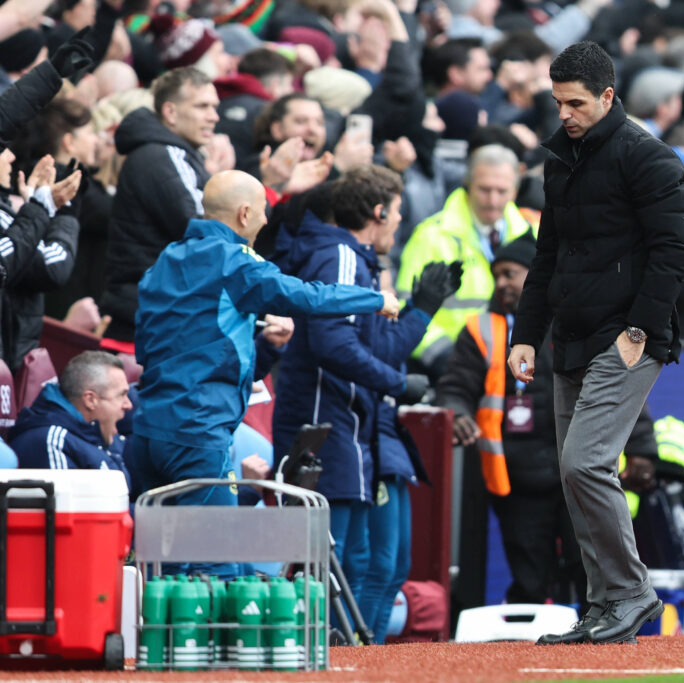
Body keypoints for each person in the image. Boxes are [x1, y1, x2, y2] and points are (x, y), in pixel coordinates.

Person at [507, 41, 684, 645]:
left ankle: (631, 592)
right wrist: (526, 335)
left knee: (583, 463)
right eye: (558, 102)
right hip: (571, 336)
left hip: (627, 339)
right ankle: (604, 603)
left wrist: (638, 331)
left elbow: (673, 253)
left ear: (608, 97)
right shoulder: (561, 158)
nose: (564, 113)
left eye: (575, 102)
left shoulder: (650, 159)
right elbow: (547, 254)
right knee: (576, 474)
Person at [132, 171, 399, 546]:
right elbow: (306, 296)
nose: (266, 220)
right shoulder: (234, 261)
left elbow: (154, 345)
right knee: (213, 563)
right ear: (244, 214)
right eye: (262, 211)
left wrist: (260, 347)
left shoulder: (167, 259)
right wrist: (375, 300)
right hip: (197, 432)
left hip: (146, 431)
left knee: (157, 561)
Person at [273, 166, 458, 631]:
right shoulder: (339, 255)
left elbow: (376, 349)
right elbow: (332, 344)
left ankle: (360, 661)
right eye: (397, 212)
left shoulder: (356, 260)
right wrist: (397, 385)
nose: (399, 222)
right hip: (327, 426)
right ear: (379, 211)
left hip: (355, 427)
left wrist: (420, 312)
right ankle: (337, 661)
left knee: (373, 567)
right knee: (342, 566)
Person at [435, 232, 587, 613]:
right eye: (497, 274)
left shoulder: (576, 320)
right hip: (515, 479)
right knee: (530, 578)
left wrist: (642, 449)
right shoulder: (480, 329)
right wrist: (458, 414)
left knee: (589, 572)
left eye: (512, 273)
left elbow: (615, 388)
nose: (502, 282)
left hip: (576, 474)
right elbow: (455, 387)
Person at [102, 66, 221, 345]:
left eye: (215, 107)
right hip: (152, 316)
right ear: (170, 112)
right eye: (202, 106)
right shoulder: (162, 154)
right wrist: (263, 193)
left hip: (156, 311)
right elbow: (202, 227)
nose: (214, 116)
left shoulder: (174, 153)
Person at [396, 143, 534, 381]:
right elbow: (404, 308)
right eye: (484, 189)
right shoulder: (431, 236)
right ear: (467, 183)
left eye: (502, 191)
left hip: (517, 370)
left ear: (515, 190)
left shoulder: (533, 234)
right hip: (451, 368)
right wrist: (444, 357)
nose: (492, 200)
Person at [9, 350, 131, 483]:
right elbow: (64, 503)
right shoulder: (53, 441)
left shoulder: (102, 434)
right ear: (90, 400)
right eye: (121, 395)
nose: (128, 404)